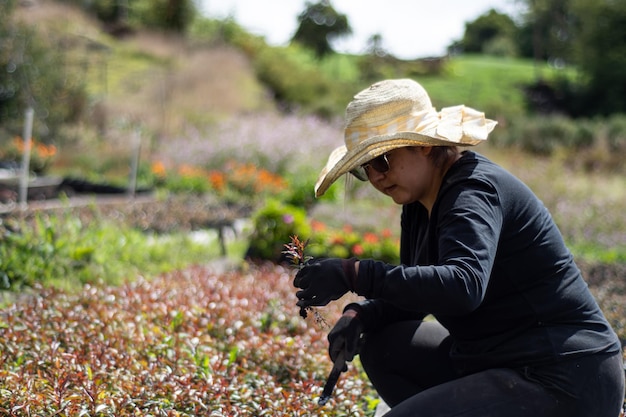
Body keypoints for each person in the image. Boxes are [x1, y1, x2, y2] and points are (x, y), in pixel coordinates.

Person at [293, 79, 625, 416]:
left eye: (382, 161)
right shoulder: (418, 203)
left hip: (564, 376)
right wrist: (360, 314)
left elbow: (462, 286)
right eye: (367, 168)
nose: (377, 177)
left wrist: (354, 273)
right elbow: (415, 297)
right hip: (499, 359)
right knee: (383, 346)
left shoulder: (472, 192)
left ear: (422, 146)